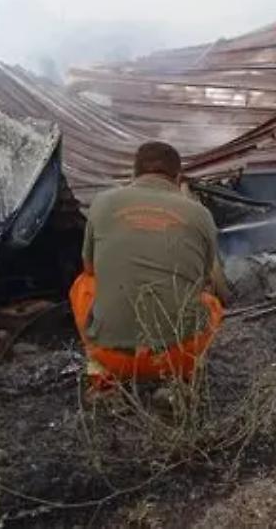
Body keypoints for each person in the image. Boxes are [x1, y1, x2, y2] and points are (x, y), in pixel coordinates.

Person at [70, 141, 230, 388]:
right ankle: (187, 376)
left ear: (133, 174)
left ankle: (101, 376)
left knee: (84, 284)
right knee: (209, 301)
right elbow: (205, 279)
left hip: (112, 356)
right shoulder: (201, 214)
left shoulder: (102, 203)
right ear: (178, 178)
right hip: (178, 355)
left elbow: (90, 268)